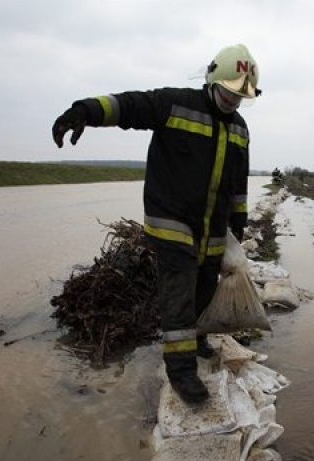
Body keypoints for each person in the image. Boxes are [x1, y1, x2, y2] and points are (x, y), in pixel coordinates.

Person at [52, 44, 261, 405]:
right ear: (212, 80)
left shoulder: (240, 129)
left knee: (203, 292)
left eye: (240, 95)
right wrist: (84, 111)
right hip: (172, 224)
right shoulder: (176, 104)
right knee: (178, 299)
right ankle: (181, 372)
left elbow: (238, 184)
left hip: (212, 233)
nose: (233, 100)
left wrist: (237, 226)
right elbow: (129, 106)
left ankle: (196, 340)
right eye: (229, 91)